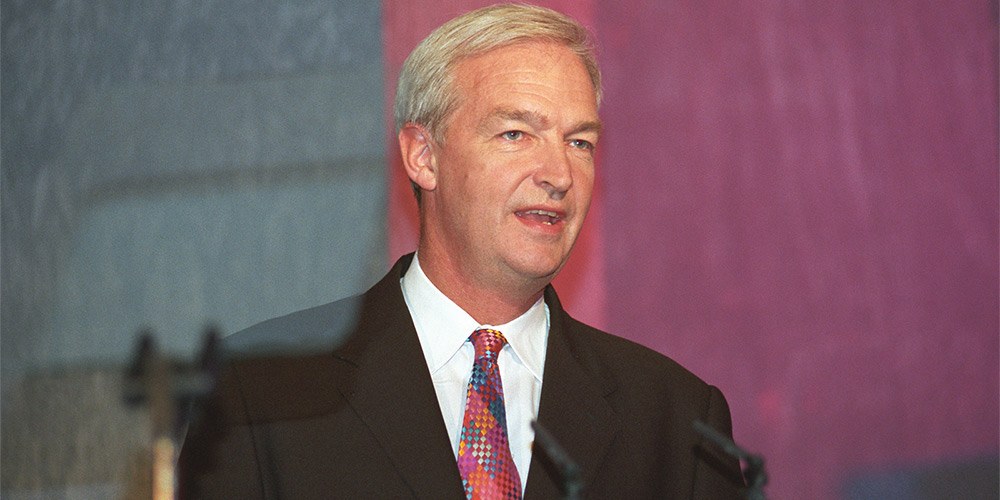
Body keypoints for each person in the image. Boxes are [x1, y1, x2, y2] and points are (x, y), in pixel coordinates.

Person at [179, 4, 744, 499]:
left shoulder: (678, 421)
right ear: (423, 156)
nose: (558, 175)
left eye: (580, 142)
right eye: (516, 134)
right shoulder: (259, 394)